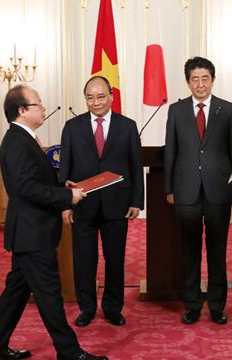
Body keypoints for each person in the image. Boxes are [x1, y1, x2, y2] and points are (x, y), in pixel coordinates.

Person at [0, 85, 108, 360]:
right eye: (38, 104)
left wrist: (63, 185)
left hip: (30, 231)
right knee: (50, 295)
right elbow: (25, 189)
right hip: (32, 233)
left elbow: (35, 179)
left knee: (15, 291)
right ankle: (69, 353)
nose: (44, 107)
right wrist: (67, 197)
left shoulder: (23, 139)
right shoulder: (16, 141)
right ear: (22, 111)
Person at [59, 76, 144, 328]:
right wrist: (65, 203)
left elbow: (135, 166)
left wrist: (137, 201)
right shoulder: (71, 127)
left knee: (115, 259)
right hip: (82, 204)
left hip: (117, 204)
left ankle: (112, 308)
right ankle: (87, 308)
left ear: (111, 96)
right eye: (90, 97)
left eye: (100, 96)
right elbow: (64, 170)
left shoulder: (127, 126)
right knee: (84, 260)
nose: (95, 102)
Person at [164, 57, 232, 325]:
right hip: (185, 191)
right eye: (195, 79)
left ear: (213, 80)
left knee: (217, 251)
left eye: (205, 78)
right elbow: (171, 151)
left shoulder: (228, 110)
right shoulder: (176, 111)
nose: (200, 84)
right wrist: (169, 189)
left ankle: (218, 305)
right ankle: (193, 304)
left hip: (219, 191)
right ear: (188, 82)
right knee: (189, 251)